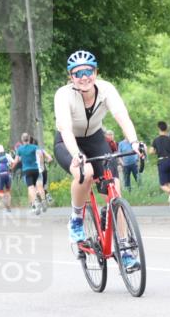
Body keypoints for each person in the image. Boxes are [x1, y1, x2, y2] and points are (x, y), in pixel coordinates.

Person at [54, 50, 140, 270]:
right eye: (77, 73)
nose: (84, 77)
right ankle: (75, 218)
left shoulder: (106, 89)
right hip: (68, 142)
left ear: (96, 72)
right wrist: (77, 155)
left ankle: (125, 248)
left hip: (95, 139)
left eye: (88, 71)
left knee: (114, 191)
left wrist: (134, 142)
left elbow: (122, 116)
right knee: (86, 172)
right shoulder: (63, 94)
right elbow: (64, 127)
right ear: (70, 76)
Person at [151, 122, 170, 209]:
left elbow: (151, 151)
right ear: (166, 129)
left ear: (159, 129)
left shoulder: (156, 140)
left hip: (162, 161)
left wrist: (157, 151)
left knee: (163, 184)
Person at [13, 132, 44, 211]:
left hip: (27, 170)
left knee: (30, 187)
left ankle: (35, 203)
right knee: (37, 186)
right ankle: (41, 199)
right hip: (36, 169)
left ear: (22, 140)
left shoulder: (20, 149)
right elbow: (40, 155)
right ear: (29, 139)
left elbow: (16, 161)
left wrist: (11, 166)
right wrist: (41, 164)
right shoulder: (35, 147)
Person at [34, 137, 54, 203]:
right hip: (44, 170)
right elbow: (50, 158)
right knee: (43, 187)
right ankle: (47, 197)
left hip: (37, 171)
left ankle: (39, 202)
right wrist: (44, 161)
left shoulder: (32, 152)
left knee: (36, 187)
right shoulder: (42, 150)